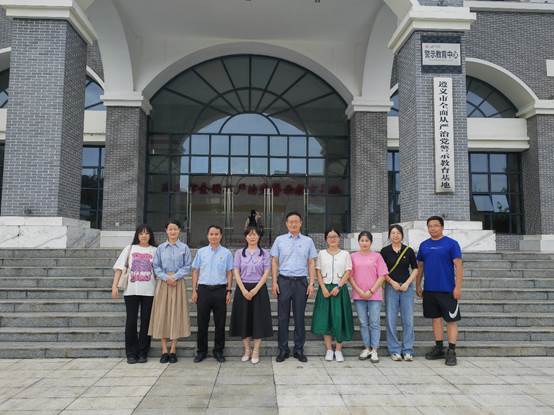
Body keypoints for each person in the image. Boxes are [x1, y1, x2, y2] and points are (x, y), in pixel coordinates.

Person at [270, 211, 317, 363]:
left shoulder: (308, 241)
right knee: (283, 317)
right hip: (283, 281)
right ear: (286, 224)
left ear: (301, 223)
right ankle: (283, 350)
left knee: (299, 317)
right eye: (290, 221)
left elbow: (311, 263)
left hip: (301, 282)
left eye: (296, 221)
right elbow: (274, 261)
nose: (293, 224)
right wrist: (274, 282)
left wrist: (311, 283)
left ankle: (298, 350)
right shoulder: (280, 240)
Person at [416, 216, 463, 366]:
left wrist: (458, 287)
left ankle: (451, 351)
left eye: (436, 225)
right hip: (430, 290)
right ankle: (439, 348)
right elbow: (420, 267)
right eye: (430, 226)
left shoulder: (451, 244)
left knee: (451, 321)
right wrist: (418, 285)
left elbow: (459, 266)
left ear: (442, 227)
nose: (433, 228)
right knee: (435, 319)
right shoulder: (424, 245)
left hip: (447, 290)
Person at [148, 219, 192, 364]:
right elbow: (156, 266)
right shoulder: (160, 248)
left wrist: (175, 277)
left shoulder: (184, 248)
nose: (173, 231)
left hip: (178, 283)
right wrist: (167, 278)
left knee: (176, 314)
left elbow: (187, 266)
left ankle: (173, 349)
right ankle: (164, 350)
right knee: (162, 314)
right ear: (166, 231)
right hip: (163, 283)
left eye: (175, 229)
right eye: (170, 229)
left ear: (179, 231)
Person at [112, 224, 157, 364]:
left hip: (149, 291)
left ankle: (143, 352)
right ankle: (131, 353)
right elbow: (119, 268)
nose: (144, 236)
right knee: (131, 321)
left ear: (150, 235)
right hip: (131, 291)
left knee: (146, 322)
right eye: (141, 233)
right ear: (137, 235)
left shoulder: (155, 250)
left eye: (147, 233)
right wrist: (114, 286)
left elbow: (159, 271)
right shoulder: (129, 248)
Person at [229, 226, 273, 364]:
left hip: (259, 289)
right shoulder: (239, 253)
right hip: (243, 289)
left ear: (259, 237)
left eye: (254, 234)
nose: (252, 237)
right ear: (245, 237)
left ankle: (256, 350)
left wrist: (255, 290)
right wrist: (243, 290)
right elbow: (236, 271)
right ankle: (247, 349)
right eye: (249, 234)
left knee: (258, 320)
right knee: (244, 320)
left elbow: (266, 273)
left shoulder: (265, 253)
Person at [191, 225, 234, 363]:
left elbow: (229, 272)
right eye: (211, 234)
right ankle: (201, 351)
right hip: (203, 290)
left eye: (216, 234)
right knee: (202, 323)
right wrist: (194, 290)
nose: (214, 236)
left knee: (220, 323)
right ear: (207, 236)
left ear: (221, 236)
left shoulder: (226, 253)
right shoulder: (201, 252)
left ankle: (218, 351)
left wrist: (228, 291)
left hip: (220, 290)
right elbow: (195, 271)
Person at [311, 227, 354, 362]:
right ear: (326, 239)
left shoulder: (345, 254)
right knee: (326, 319)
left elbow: (348, 271)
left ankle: (339, 350)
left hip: (339, 289)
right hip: (325, 290)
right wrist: (323, 287)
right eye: (330, 237)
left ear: (339, 238)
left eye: (335, 236)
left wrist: (339, 286)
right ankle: (329, 349)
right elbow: (318, 271)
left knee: (339, 318)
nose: (333, 239)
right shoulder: (322, 254)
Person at [380, 224, 418, 362]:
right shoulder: (384, 251)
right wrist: (392, 282)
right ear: (389, 235)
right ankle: (395, 350)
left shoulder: (408, 250)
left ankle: (407, 350)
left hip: (407, 288)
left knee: (408, 320)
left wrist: (407, 283)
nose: (395, 235)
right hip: (391, 288)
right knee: (391, 319)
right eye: (393, 233)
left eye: (398, 233)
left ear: (402, 235)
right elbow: (382, 271)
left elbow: (415, 268)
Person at [350, 231, 388, 363]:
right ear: (358, 242)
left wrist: (371, 291)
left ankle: (374, 350)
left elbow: (382, 276)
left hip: (374, 295)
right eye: (362, 240)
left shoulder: (377, 256)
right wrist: (360, 291)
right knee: (363, 323)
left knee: (374, 323)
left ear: (371, 242)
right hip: (359, 294)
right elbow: (350, 276)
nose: (364, 243)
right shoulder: (353, 256)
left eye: (367, 240)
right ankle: (367, 348)